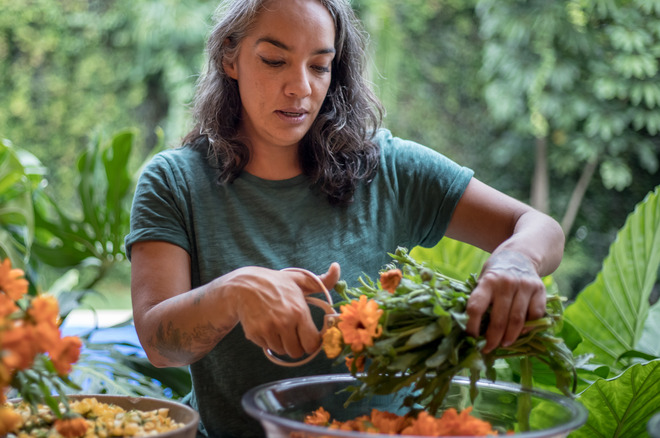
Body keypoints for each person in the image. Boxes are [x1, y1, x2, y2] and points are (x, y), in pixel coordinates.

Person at [124, 0, 565, 436]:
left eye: (319, 66)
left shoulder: (389, 169)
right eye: (275, 60)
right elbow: (159, 344)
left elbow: (539, 227)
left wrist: (516, 260)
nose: (300, 87)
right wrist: (233, 293)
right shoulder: (174, 182)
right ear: (229, 56)